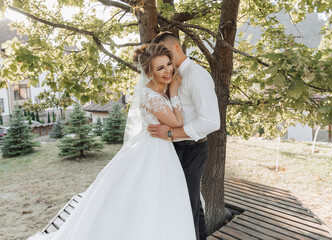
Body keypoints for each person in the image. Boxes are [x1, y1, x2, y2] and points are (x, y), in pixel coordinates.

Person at [26, 43, 196, 240]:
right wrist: (174, 91)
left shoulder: (156, 90)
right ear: (149, 74)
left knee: (156, 199)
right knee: (149, 197)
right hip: (154, 150)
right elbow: (177, 122)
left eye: (168, 64)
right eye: (160, 68)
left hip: (156, 147)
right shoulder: (151, 96)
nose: (168, 71)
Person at [149, 32, 220, 240]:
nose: (164, 59)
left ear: (177, 47)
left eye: (166, 52)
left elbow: (211, 121)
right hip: (172, 149)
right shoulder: (172, 76)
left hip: (191, 149)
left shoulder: (197, 76)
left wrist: (170, 133)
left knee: (188, 205)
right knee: (182, 203)